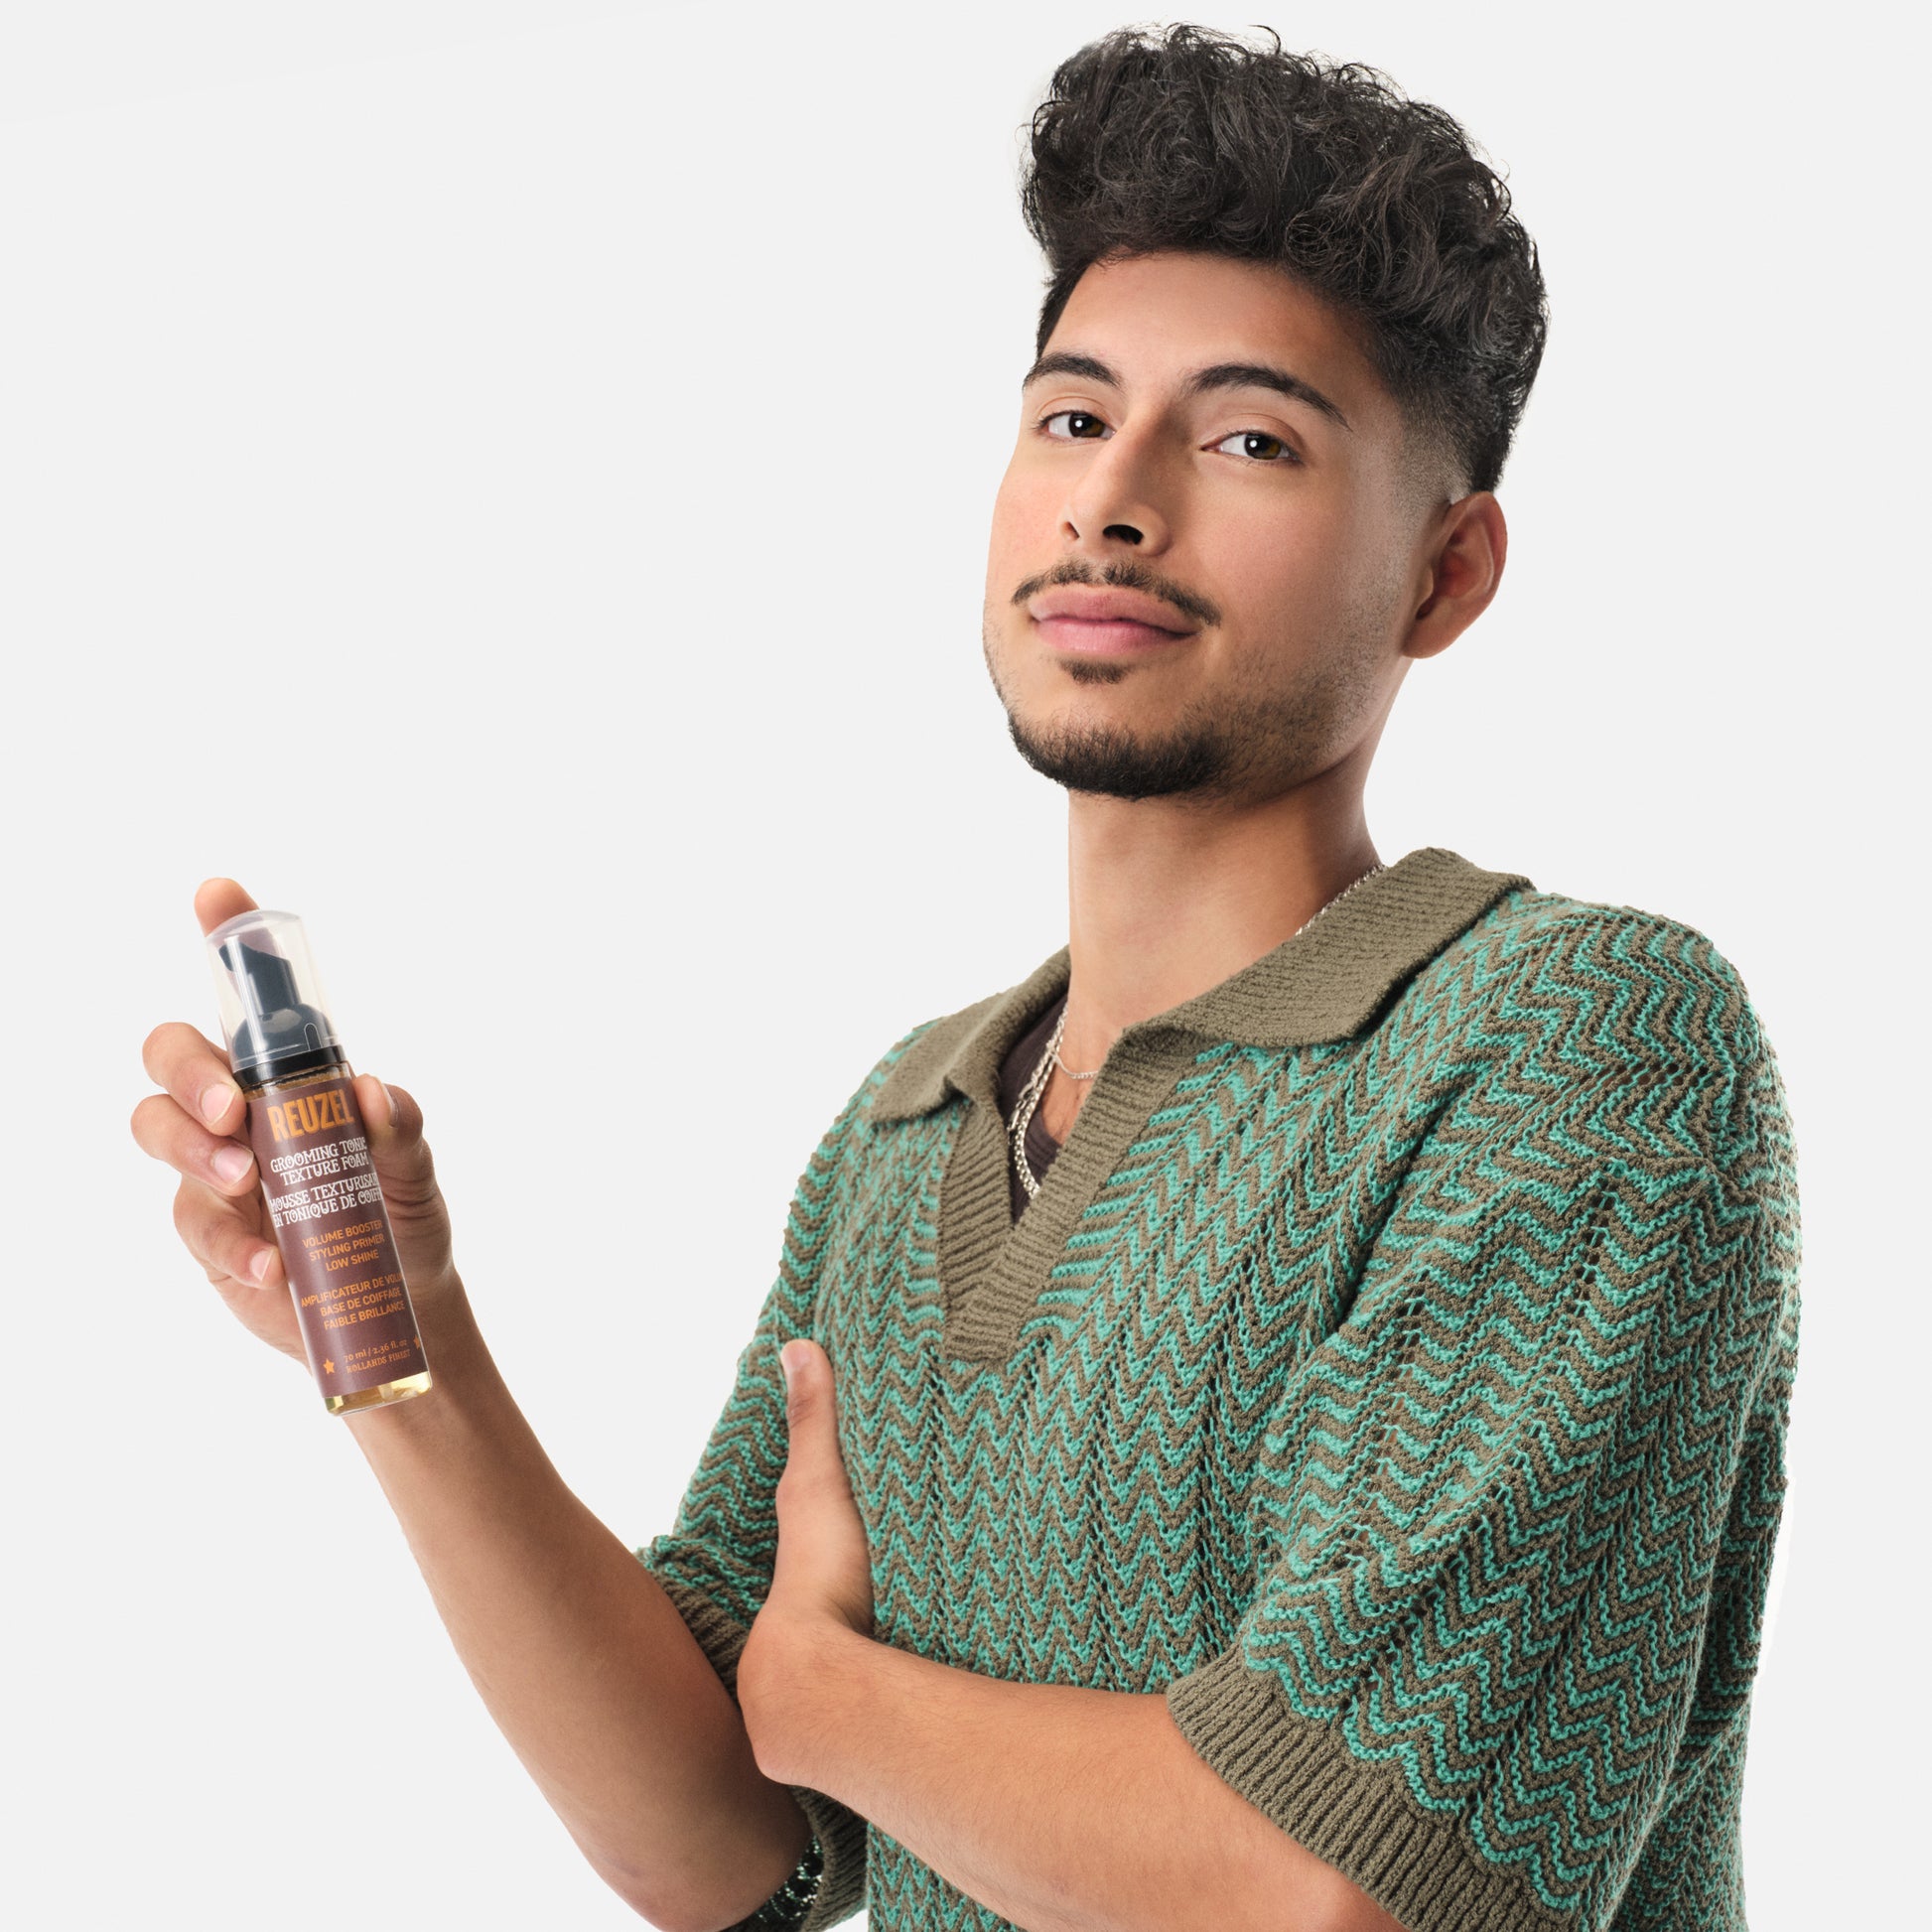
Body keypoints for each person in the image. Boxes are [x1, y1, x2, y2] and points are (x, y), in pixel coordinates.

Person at [132, 24, 1801, 1932]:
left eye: (1248, 437)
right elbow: (719, 1844)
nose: (1114, 498)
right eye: (1072, 415)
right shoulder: (914, 1117)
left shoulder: (1573, 1051)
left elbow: (1336, 1888)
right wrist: (402, 1341)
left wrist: (830, 1696)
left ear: (1445, 572)